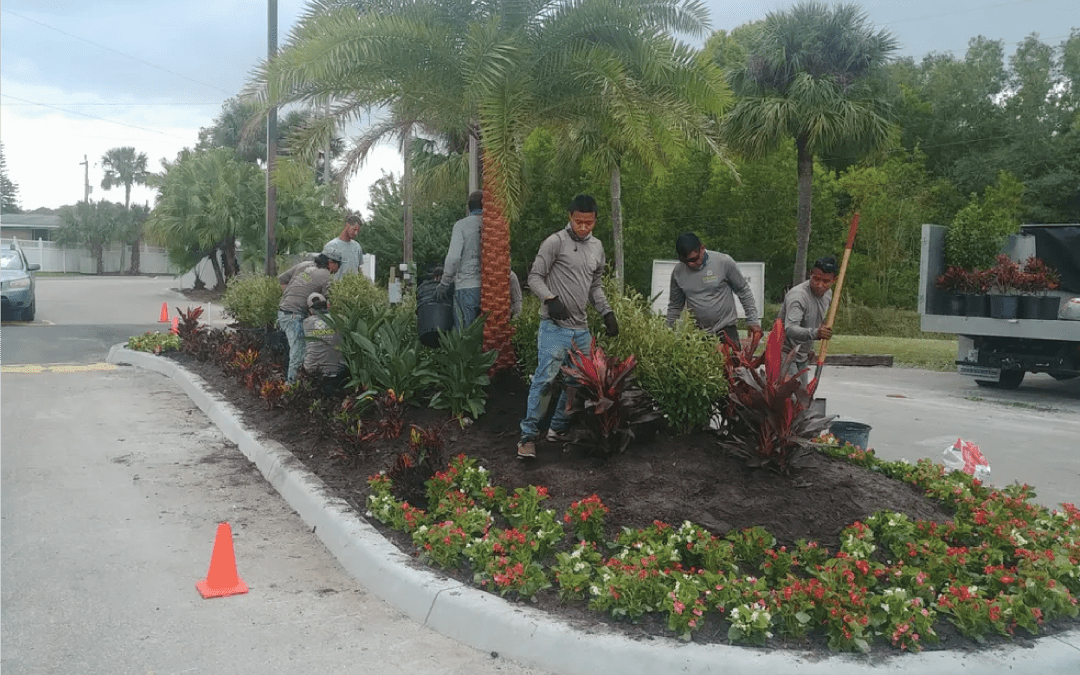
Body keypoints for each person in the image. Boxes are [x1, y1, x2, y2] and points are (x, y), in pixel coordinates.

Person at [517, 194, 619, 460]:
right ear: (569, 217)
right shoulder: (555, 242)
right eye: (578, 222)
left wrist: (607, 312)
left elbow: (595, 286)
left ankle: (557, 428)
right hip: (554, 328)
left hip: (580, 330)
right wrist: (550, 299)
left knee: (576, 382)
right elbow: (534, 277)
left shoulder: (597, 247)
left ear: (596, 220)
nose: (583, 227)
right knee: (545, 382)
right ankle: (527, 437)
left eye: (588, 223)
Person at [666, 232, 762, 347]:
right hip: (697, 334)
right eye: (686, 262)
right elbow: (675, 306)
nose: (691, 264)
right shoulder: (678, 272)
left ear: (702, 248)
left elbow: (743, 290)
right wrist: (669, 332)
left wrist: (752, 320)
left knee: (731, 363)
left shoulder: (723, 262)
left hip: (726, 330)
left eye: (694, 259)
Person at [278, 248, 340, 383]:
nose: (337, 269)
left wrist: (292, 297)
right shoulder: (326, 276)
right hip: (295, 316)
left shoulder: (303, 265)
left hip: (283, 312)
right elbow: (328, 304)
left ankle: (297, 381)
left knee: (299, 350)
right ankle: (292, 386)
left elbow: (282, 280)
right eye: (338, 265)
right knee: (299, 351)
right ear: (330, 262)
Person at [779, 256, 838, 385]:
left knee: (803, 397)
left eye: (826, 281)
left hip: (802, 355)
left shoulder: (828, 294)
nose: (820, 285)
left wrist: (811, 344)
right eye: (816, 279)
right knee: (794, 398)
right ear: (810, 274)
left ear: (834, 280)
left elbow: (814, 319)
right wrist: (816, 333)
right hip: (784, 354)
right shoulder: (798, 297)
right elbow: (790, 329)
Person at [437, 191, 483, 330]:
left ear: (468, 208)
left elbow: (453, 258)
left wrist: (444, 283)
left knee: (465, 337)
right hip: (492, 290)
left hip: (466, 288)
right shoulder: (494, 226)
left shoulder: (461, 226)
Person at [302, 292, 347, 395]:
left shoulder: (306, 323)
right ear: (327, 306)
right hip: (337, 370)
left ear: (311, 310)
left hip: (312, 369)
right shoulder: (340, 319)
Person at [323, 214, 364, 279]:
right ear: (347, 226)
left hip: (352, 287)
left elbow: (358, 269)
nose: (356, 233)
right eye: (354, 229)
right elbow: (324, 271)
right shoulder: (331, 246)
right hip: (336, 286)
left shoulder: (357, 247)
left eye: (358, 231)